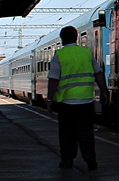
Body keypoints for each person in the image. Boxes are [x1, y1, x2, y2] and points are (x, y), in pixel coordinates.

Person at [47, 26, 109, 170]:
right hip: (86, 101)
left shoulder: (60, 55)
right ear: (76, 37)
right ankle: (90, 160)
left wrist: (50, 99)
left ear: (62, 40)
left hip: (66, 102)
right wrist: (104, 91)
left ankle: (67, 160)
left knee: (67, 134)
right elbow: (98, 74)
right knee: (86, 133)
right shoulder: (87, 53)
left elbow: (54, 79)